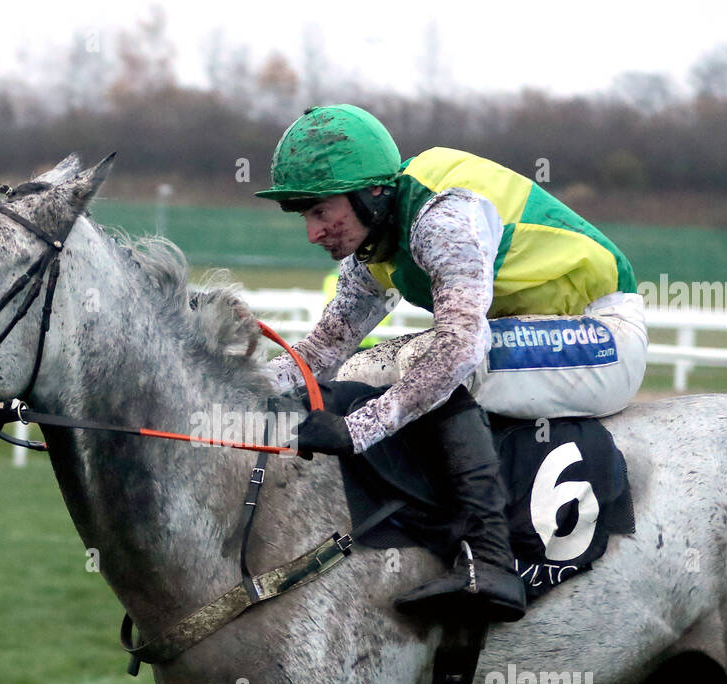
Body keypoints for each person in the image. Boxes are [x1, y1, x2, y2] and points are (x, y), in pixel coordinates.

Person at [256, 104, 649, 623]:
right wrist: (235, 393)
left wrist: (356, 429)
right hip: (530, 336)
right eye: (305, 215)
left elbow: (461, 346)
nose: (313, 232)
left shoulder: (441, 216)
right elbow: (325, 352)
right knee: (360, 373)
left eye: (321, 210)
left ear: (371, 191)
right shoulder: (375, 241)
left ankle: (489, 558)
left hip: (603, 336)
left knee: (428, 359)